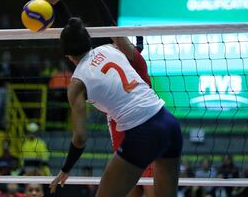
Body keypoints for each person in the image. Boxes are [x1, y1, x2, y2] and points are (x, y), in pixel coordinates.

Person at [33, 0, 155, 196]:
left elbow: (86, 42)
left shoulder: (117, 55)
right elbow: (84, 41)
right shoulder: (122, 55)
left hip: (133, 127)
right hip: (130, 129)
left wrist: (65, 3)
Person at [49, 17, 182, 197]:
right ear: (88, 40)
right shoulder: (111, 48)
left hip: (143, 132)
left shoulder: (77, 84)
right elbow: (95, 33)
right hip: (169, 123)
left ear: (66, 55)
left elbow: (80, 137)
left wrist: (65, 169)